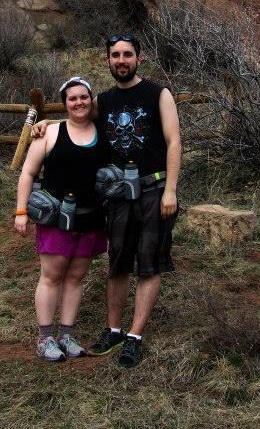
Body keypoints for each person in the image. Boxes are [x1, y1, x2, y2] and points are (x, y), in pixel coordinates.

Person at [32, 33, 181, 368]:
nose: (121, 60)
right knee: (117, 261)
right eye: (115, 55)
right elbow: (78, 117)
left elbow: (174, 142)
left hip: (153, 189)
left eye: (127, 54)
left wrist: (170, 189)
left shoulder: (159, 93)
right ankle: (113, 329)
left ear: (138, 58)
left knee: (148, 262)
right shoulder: (105, 100)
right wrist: (48, 123)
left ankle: (134, 336)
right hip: (116, 194)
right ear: (108, 60)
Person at [14, 77, 108, 362]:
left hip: (90, 218)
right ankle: (45, 338)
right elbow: (28, 173)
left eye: (83, 97)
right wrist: (21, 211)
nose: (78, 102)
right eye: (72, 98)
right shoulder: (50, 133)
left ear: (91, 100)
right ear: (65, 103)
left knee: (77, 277)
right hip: (56, 218)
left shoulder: (102, 131)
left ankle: (67, 334)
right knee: (52, 276)